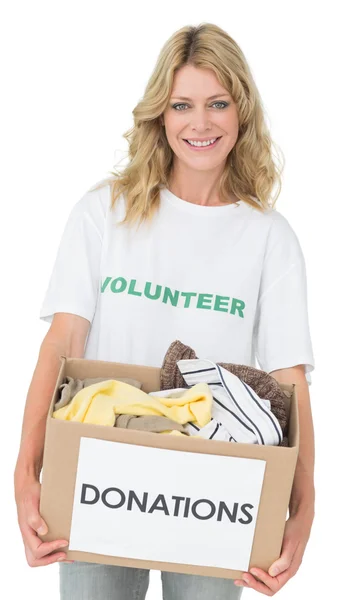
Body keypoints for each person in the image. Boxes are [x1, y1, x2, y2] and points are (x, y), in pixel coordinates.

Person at [14, 22, 315, 599]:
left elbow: (289, 383)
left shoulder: (269, 237)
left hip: (216, 485)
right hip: (98, 472)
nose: (199, 124)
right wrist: (25, 475)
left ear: (241, 112)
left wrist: (302, 508)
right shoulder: (104, 212)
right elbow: (63, 345)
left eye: (217, 103)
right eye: (182, 105)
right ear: (160, 114)